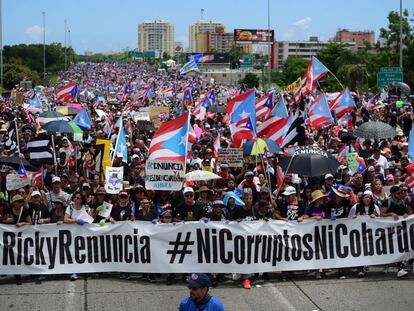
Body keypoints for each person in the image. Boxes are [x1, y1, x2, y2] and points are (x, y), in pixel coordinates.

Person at [380, 185, 413, 277]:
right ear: (393, 193)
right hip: (389, 229)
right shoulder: (387, 202)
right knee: (389, 247)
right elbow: (382, 214)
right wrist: (390, 214)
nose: (401, 194)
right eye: (399, 193)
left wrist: (406, 214)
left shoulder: (402, 202)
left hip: (400, 230)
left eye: (402, 192)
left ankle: (400, 269)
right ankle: (386, 265)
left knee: (400, 248)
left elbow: (407, 213)